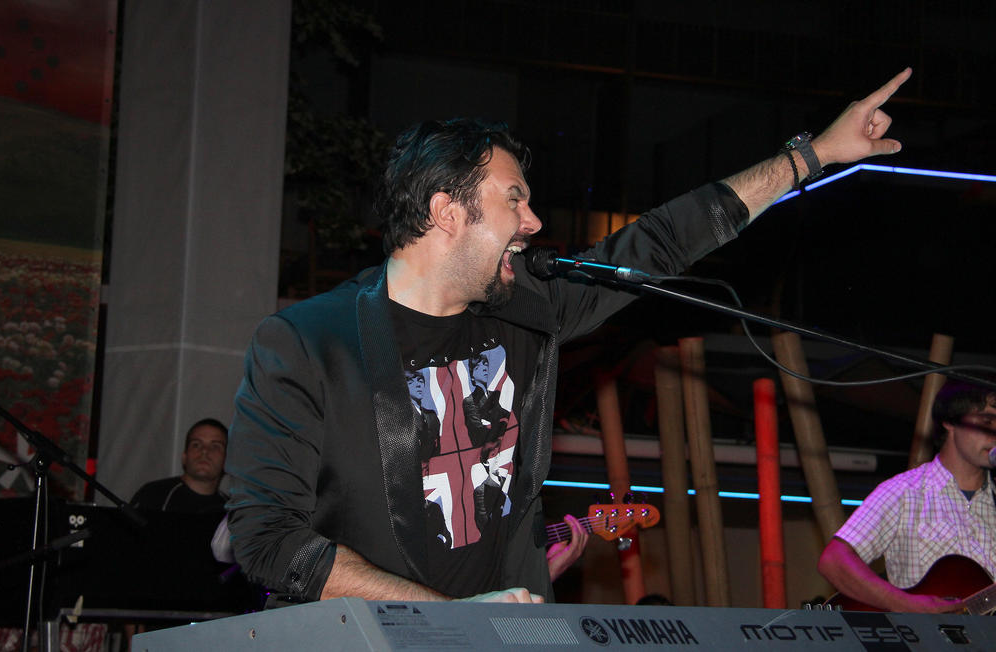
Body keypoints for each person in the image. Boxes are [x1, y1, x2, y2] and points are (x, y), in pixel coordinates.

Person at [225, 68, 912, 604]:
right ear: (446, 212)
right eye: (514, 199)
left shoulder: (526, 309)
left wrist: (813, 155)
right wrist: (441, 615)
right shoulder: (308, 343)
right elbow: (268, 540)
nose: (532, 222)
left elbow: (661, 241)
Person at [818, 379, 996, 613]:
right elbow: (834, 561)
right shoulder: (904, 492)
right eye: (987, 421)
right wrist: (905, 605)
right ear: (950, 421)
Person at [130, 418, 229, 513]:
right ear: (184, 457)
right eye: (196, 445)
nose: (204, 451)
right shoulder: (153, 495)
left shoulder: (232, 511)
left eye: (215, 446)